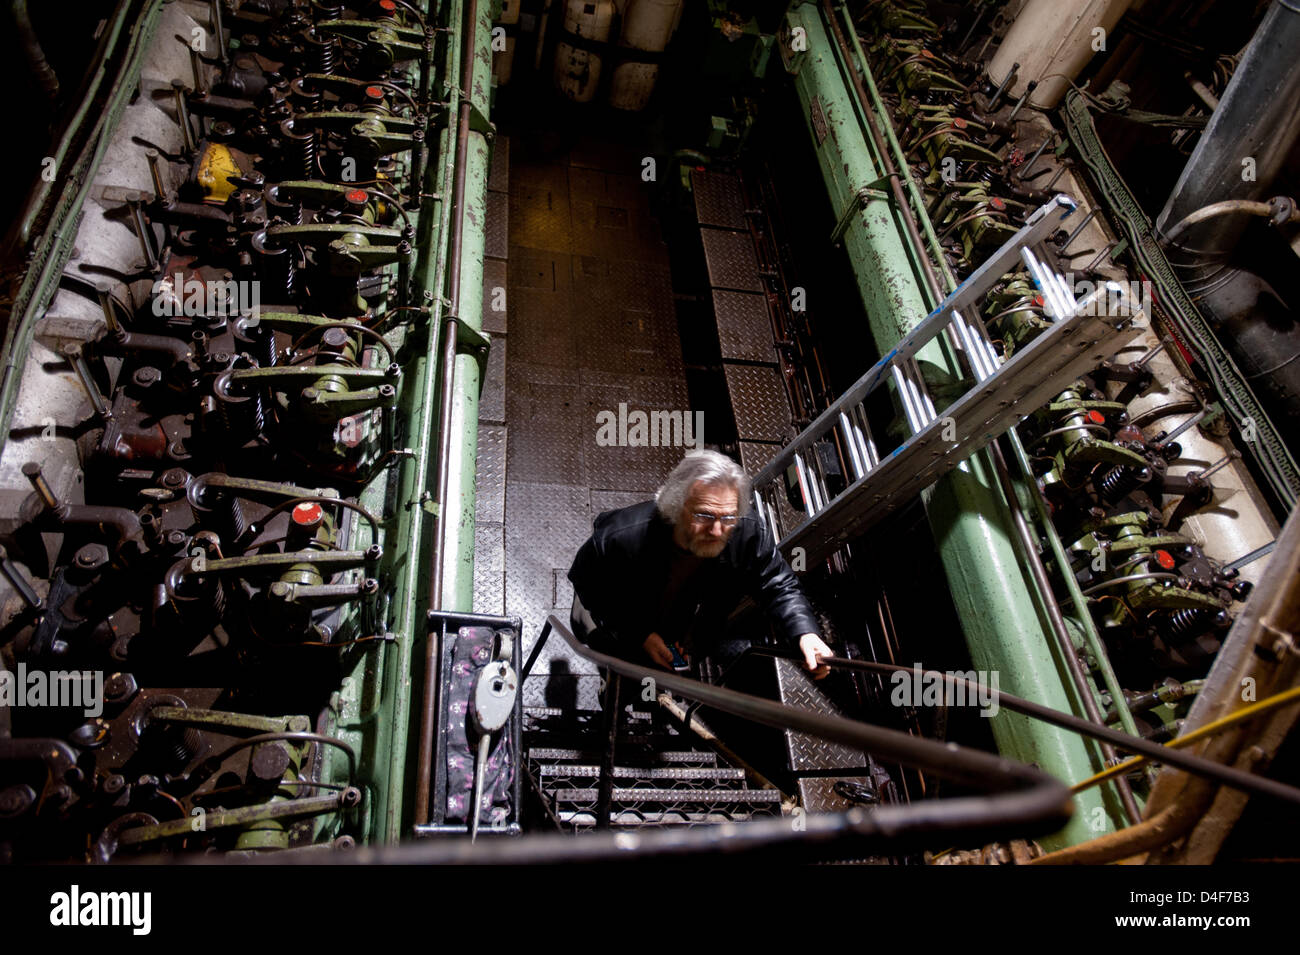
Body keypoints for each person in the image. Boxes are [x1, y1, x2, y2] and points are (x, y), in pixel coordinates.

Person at [567, 449, 833, 679]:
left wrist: (805, 633)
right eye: (705, 515)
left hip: (681, 621)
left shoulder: (746, 532)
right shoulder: (621, 537)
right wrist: (639, 635)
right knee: (611, 655)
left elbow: (777, 584)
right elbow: (586, 582)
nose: (718, 530)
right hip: (622, 614)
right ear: (675, 505)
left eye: (728, 517)